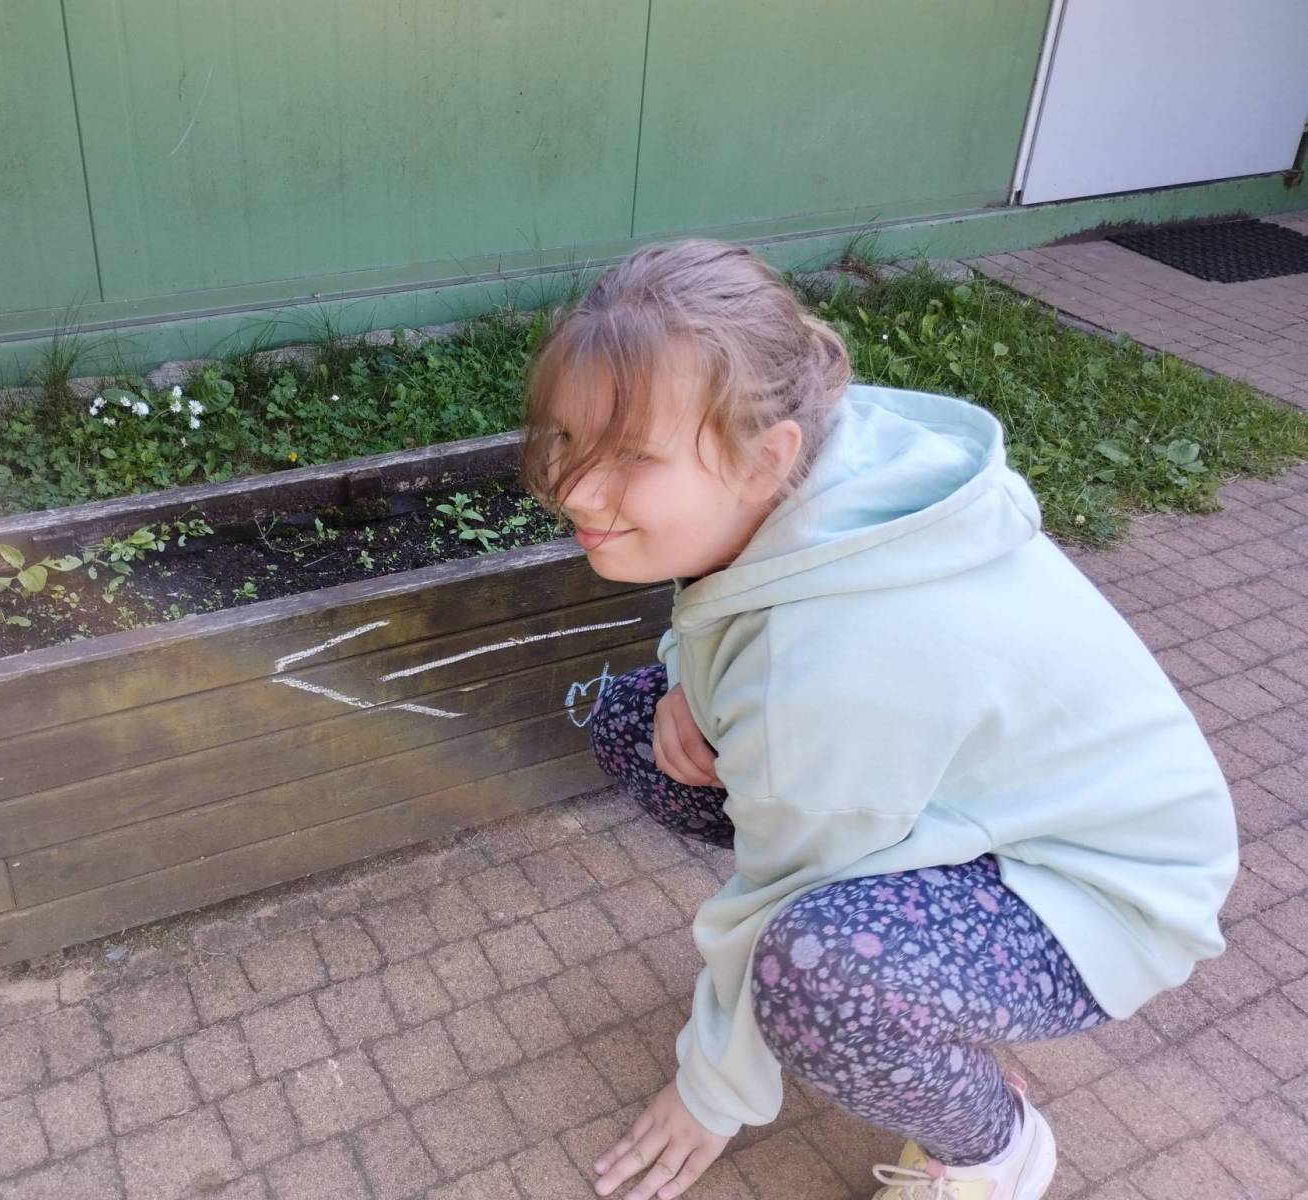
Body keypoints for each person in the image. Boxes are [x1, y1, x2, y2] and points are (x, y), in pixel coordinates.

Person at [517, 238, 1238, 1200]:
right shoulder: (827, 461)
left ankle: (995, 1147)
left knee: (818, 973)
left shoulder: (823, 670)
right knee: (637, 723)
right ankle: (924, 980)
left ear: (766, 459)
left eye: (633, 457)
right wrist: (694, 674)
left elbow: (779, 891)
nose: (573, 488)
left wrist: (711, 1092)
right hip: (988, 799)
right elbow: (729, 607)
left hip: (1111, 889)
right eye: (568, 438)